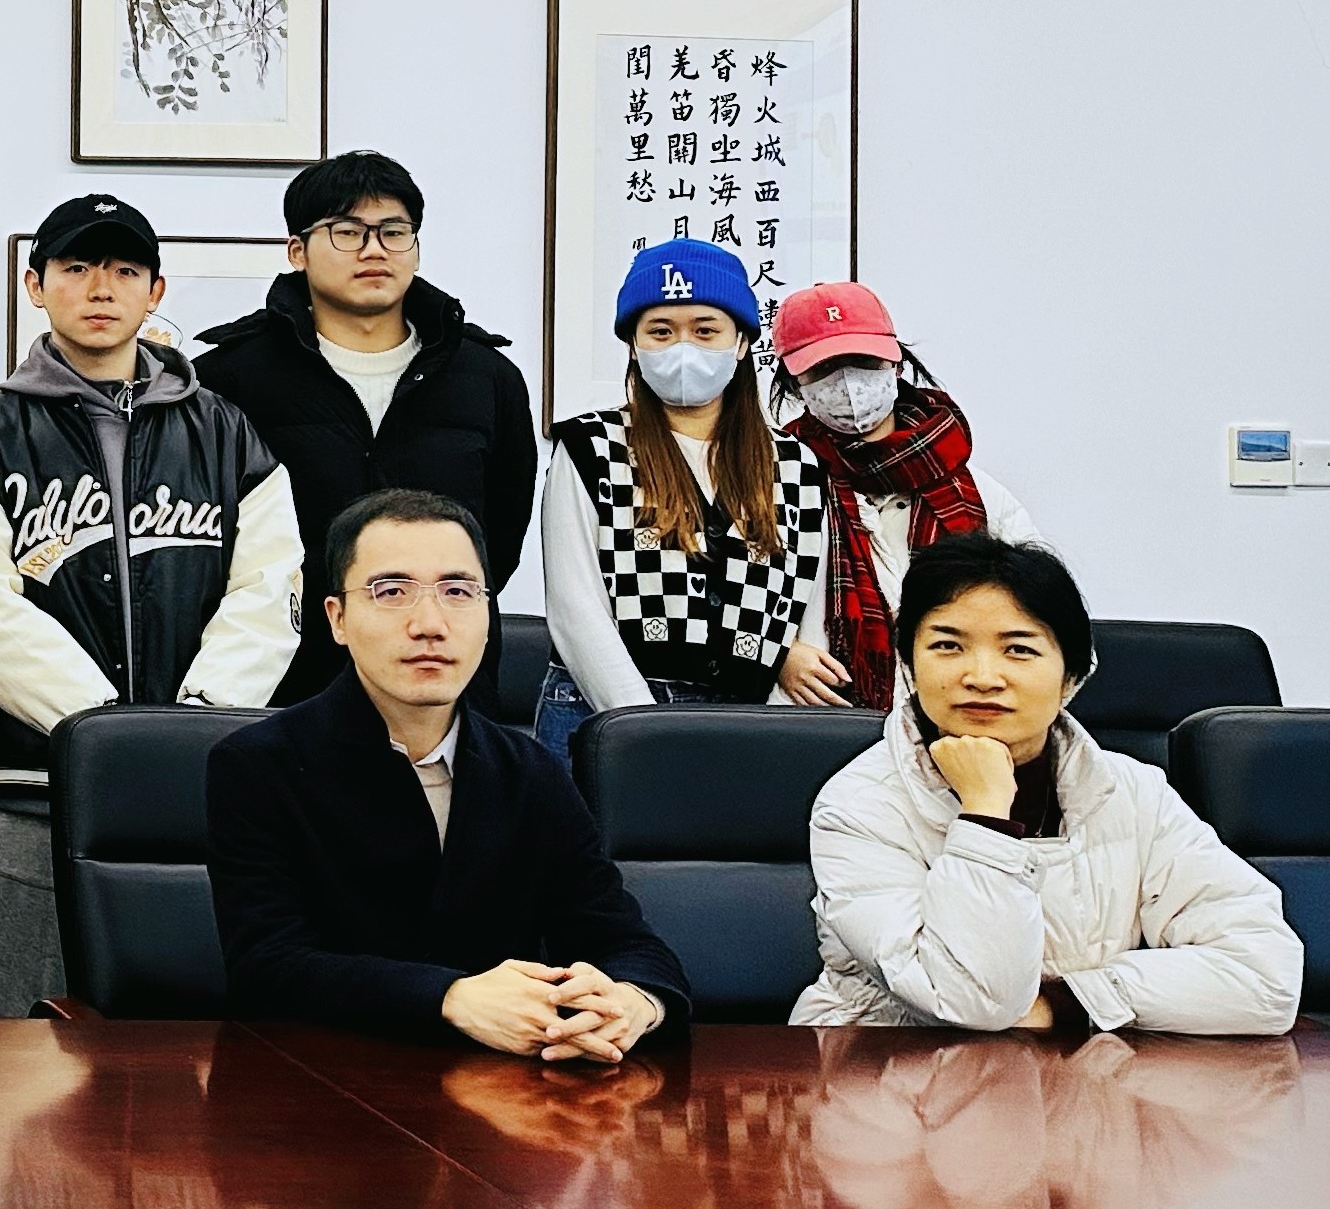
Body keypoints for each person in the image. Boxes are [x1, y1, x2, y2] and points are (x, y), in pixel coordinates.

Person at [209, 490, 689, 1057]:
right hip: (318, 1085)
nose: (430, 624)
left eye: (458, 592)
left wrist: (634, 1003)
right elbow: (266, 968)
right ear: (337, 618)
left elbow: (627, 942)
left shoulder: (531, 771)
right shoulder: (259, 765)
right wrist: (449, 997)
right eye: (391, 592)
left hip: (507, 1092)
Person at [796, 533, 1300, 1035]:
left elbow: (1267, 976)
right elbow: (972, 1000)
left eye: (1018, 649)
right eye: (948, 645)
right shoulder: (859, 804)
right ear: (908, 664)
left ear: (1072, 677)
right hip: (883, 1066)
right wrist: (986, 812)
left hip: (1081, 1069)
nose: (983, 676)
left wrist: (1069, 1004)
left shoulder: (1132, 792)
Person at [0, 194, 300, 772]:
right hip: (40, 775)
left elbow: (269, 587)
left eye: (126, 271)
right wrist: (103, 727)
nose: (101, 289)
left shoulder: (225, 430)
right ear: (35, 285)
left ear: (155, 292)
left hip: (199, 764)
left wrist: (197, 719)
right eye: (77, 268)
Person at [195, 153, 534, 703]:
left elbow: (499, 535)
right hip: (281, 679)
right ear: (297, 251)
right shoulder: (227, 378)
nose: (374, 250)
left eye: (393, 232)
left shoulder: (486, 376)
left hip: (444, 676)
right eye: (348, 232)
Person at [537, 239, 835, 754]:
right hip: (604, 712)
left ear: (741, 343)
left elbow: (811, 616)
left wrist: (775, 728)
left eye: (705, 330)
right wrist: (644, 731)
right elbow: (575, 608)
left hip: (748, 717)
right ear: (633, 344)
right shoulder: (590, 447)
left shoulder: (797, 464)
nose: (683, 347)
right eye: (660, 331)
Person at [765, 282, 1046, 719]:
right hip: (816, 720)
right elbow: (728, 594)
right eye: (824, 369)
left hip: (956, 718)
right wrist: (776, 653)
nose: (848, 384)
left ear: (895, 363)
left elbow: (1042, 614)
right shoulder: (775, 480)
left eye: (864, 361)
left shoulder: (978, 493)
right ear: (795, 382)